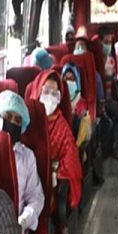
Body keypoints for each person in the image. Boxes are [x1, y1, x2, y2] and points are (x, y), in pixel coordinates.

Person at [0, 90, 45, 234]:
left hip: (16, 228)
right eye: (7, 117)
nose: (12, 123)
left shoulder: (27, 157)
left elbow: (36, 198)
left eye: (18, 120)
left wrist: (22, 222)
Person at [29, 69, 83, 209]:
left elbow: (71, 158)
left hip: (47, 185)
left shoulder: (61, 126)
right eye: (46, 91)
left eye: (54, 94)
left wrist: (55, 173)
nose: (49, 97)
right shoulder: (26, 120)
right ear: (38, 91)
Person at [98, 25, 118, 159]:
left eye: (110, 42)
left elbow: (114, 82)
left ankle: (112, 145)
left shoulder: (111, 59)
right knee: (108, 122)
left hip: (110, 99)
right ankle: (106, 149)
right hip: (100, 101)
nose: (108, 45)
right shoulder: (97, 60)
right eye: (106, 42)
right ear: (100, 42)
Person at [62, 63, 92, 147]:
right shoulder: (58, 98)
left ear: (77, 81)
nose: (68, 82)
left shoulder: (81, 101)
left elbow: (83, 113)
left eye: (71, 79)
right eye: (66, 79)